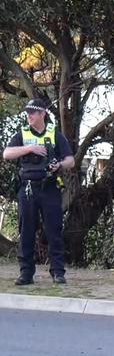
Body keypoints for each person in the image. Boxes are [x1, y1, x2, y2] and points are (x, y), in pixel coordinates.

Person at [3, 99, 75, 285]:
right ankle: (26, 273)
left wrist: (58, 164)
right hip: (27, 188)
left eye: (33, 112)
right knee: (26, 231)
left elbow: (71, 161)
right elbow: (6, 154)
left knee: (54, 230)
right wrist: (29, 148)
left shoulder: (54, 134)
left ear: (43, 114)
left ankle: (58, 272)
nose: (29, 115)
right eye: (27, 112)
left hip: (49, 187)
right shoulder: (23, 134)